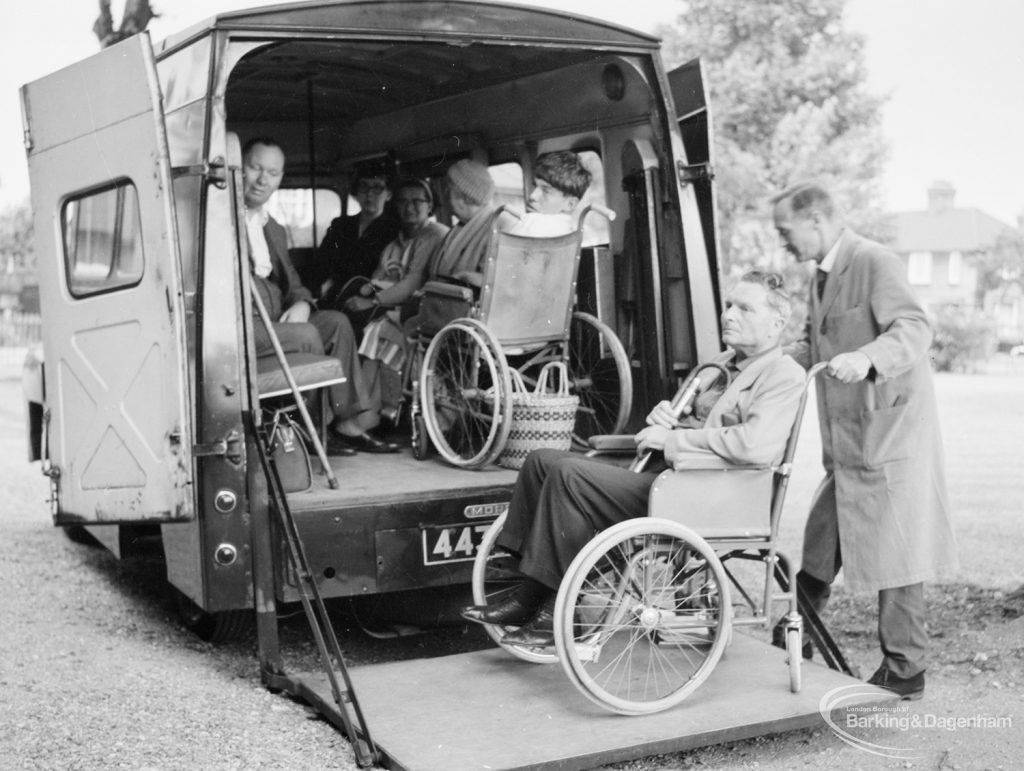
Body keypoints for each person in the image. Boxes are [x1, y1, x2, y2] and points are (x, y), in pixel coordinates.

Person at [461, 270, 806, 647]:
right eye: (728, 306)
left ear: (777, 323)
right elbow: (687, 416)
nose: (729, 315)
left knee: (568, 476)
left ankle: (548, 606)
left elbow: (756, 446)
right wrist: (666, 413)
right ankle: (529, 588)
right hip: (670, 477)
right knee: (542, 460)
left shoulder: (783, 374)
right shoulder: (722, 362)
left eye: (744, 308)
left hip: (704, 492)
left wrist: (673, 438)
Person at [772, 181, 957, 700]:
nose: (783, 241)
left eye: (786, 231)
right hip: (851, 443)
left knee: (898, 554)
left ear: (814, 220)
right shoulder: (821, 276)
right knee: (820, 539)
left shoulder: (874, 261)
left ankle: (905, 670)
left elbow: (915, 327)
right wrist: (764, 363)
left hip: (890, 435)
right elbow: (815, 345)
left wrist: (869, 357)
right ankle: (792, 635)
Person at [242, 137, 399, 454]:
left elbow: (294, 282)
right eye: (255, 168)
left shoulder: (273, 228)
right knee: (307, 334)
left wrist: (302, 301)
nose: (262, 179)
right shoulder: (217, 221)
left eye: (272, 173)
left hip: (277, 320)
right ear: (237, 168)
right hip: (243, 328)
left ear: (280, 178)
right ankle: (311, 431)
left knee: (337, 323)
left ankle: (346, 423)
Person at [348, 179, 451, 419]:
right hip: (394, 309)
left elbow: (412, 283)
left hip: (424, 312)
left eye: (417, 201)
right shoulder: (395, 244)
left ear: (430, 205)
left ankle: (384, 412)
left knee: (379, 332)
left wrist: (372, 301)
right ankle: (373, 411)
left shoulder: (434, 234)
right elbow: (375, 279)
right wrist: (366, 291)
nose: (410, 207)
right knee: (366, 330)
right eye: (403, 201)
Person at [317, 160, 401, 310]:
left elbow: (393, 278)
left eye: (377, 188)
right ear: (356, 192)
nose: (369, 194)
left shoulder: (395, 231)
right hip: (334, 296)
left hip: (369, 302)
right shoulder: (340, 225)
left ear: (388, 194)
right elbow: (321, 263)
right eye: (363, 186)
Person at [428, 159, 500, 287]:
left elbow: (494, 286)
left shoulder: (495, 229)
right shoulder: (458, 228)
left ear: (463, 196)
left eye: (448, 190)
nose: (444, 195)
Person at [507, 150, 593, 237]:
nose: (533, 196)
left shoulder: (531, 223)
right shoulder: (569, 232)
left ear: (570, 204)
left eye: (546, 190)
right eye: (535, 186)